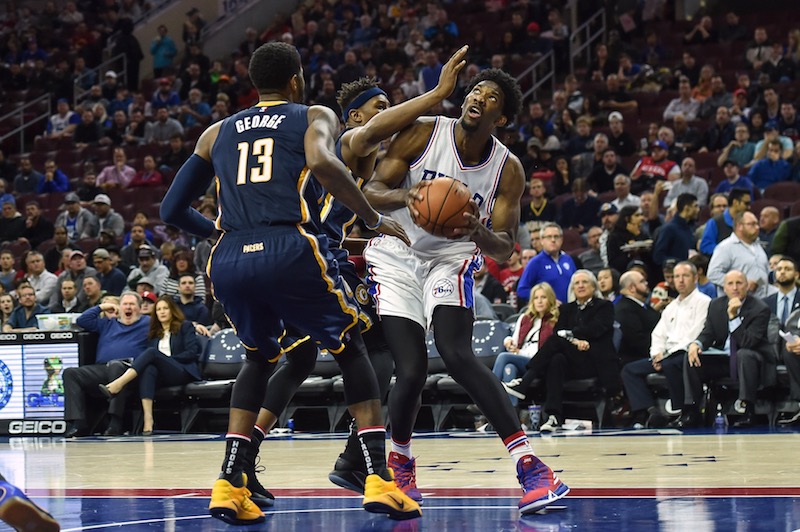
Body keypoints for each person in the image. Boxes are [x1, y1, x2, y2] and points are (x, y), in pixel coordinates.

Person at [160, 42, 421, 524]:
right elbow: (323, 164)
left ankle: (229, 482)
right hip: (290, 247)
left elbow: (170, 210)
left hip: (231, 259)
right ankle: (378, 478)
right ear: (297, 80)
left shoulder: (215, 132)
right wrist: (371, 218)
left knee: (261, 359)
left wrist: (219, 232)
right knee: (351, 347)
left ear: (254, 85)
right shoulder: (313, 114)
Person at [362, 65, 568, 513]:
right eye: (476, 90)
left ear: (503, 118)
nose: (478, 97)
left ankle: (531, 466)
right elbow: (371, 188)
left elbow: (504, 247)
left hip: (452, 257)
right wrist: (410, 197)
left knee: (456, 354)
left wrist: (476, 228)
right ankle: (400, 463)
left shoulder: (507, 169)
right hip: (396, 254)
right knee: (411, 369)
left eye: (492, 96)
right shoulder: (422, 132)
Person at [503, 270, 618, 431]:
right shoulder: (566, 309)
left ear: (593, 286)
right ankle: (553, 416)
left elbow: (597, 329)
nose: (580, 286)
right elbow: (560, 331)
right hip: (573, 360)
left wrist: (573, 336)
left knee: (556, 341)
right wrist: (574, 340)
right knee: (556, 359)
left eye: (584, 282)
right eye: (576, 283)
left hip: (595, 360)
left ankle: (525, 382)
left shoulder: (604, 306)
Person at [621, 261, 711, 428]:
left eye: (685, 276)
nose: (680, 280)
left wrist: (665, 355)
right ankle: (649, 411)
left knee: (673, 362)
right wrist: (656, 353)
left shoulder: (704, 302)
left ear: (695, 278)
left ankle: (684, 411)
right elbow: (658, 334)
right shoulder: (671, 307)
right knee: (629, 370)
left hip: (686, 352)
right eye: (677, 276)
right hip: (665, 355)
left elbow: (696, 333)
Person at [680, 270, 774, 428]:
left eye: (739, 283)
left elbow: (747, 342)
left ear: (747, 286)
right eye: (730, 284)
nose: (735, 287)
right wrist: (697, 344)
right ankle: (691, 410)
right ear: (724, 287)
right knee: (691, 356)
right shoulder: (716, 305)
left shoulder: (760, 308)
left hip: (753, 359)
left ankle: (746, 410)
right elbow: (708, 333)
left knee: (744, 354)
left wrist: (733, 316)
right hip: (724, 359)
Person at [100, 296, 201, 435]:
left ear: (172, 310)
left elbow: (191, 353)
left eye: (165, 308)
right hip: (162, 374)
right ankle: (148, 418)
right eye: (159, 309)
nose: (162, 312)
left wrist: (166, 359)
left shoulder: (185, 326)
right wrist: (161, 361)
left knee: (152, 353)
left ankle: (119, 383)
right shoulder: (154, 333)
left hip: (182, 371)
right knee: (149, 368)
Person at [63, 292, 150, 437]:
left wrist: (194, 326)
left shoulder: (147, 322)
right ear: (119, 308)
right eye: (125, 304)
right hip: (103, 368)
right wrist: (102, 307)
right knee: (71, 373)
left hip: (131, 371)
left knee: (116, 365)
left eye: (132, 304)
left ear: (140, 309)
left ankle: (115, 423)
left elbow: (172, 323)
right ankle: (79, 424)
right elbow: (82, 320)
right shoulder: (108, 323)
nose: (128, 307)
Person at [491, 282, 558, 408]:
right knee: (509, 368)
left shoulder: (555, 320)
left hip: (539, 364)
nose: (539, 301)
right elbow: (514, 340)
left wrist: (519, 352)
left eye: (543, 297)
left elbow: (547, 351)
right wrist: (508, 342)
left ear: (550, 299)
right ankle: (511, 415)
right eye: (536, 298)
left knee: (503, 357)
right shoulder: (525, 318)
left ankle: (487, 396)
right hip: (521, 360)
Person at [708, 211, 771, 298]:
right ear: (739, 226)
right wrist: (740, 283)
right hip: (737, 303)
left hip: (762, 301)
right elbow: (713, 274)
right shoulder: (726, 247)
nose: (757, 227)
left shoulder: (758, 245)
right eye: (752, 224)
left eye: (757, 224)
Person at [517, 222, 576, 305]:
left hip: (570, 311)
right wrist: (545, 300)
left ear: (561, 240)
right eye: (549, 237)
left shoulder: (568, 259)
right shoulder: (535, 263)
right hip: (548, 312)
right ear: (542, 241)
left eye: (556, 236)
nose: (553, 240)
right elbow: (522, 290)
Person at [615, 270, 660, 367]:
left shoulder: (641, 305)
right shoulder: (624, 309)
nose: (646, 283)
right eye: (642, 281)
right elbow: (638, 341)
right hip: (637, 360)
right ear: (632, 288)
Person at [699, 188, 751, 256]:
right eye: (746, 203)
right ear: (735, 202)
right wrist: (727, 252)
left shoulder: (749, 222)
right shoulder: (715, 222)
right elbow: (705, 246)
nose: (749, 207)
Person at [652, 193, 699, 267]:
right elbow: (658, 256)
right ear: (686, 208)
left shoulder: (690, 228)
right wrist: (678, 263)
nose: (698, 210)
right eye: (695, 206)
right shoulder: (668, 229)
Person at [763, 257, 800, 325]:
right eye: (779, 269)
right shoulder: (765, 303)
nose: (782, 272)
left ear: (796, 275)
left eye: (787, 269)